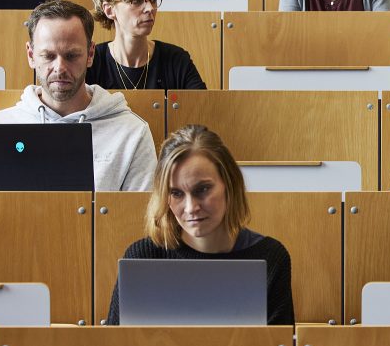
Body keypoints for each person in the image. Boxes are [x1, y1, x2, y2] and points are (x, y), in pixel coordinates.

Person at [106, 124, 294, 325]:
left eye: (202, 189)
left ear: (229, 185)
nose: (191, 207)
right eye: (176, 193)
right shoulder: (143, 258)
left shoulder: (269, 256)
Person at [0, 0, 156, 191]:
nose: (60, 68)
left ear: (90, 54)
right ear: (31, 55)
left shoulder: (132, 132)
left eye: (71, 56)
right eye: (48, 56)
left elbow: (138, 217)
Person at [86, 0, 207, 90]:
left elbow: (202, 109)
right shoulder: (91, 62)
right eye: (136, 0)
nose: (150, 8)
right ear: (109, 10)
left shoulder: (176, 59)